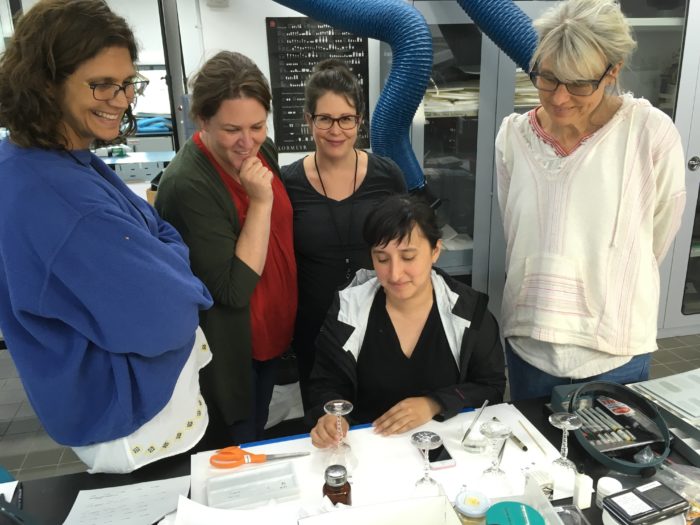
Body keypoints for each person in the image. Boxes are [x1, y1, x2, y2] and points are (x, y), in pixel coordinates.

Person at [0, 0, 214, 473]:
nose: (120, 99)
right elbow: (171, 313)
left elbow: (160, 230)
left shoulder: (49, 158)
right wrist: (183, 273)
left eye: (127, 84)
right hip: (135, 423)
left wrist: (162, 253)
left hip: (114, 408)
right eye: (101, 84)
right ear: (44, 82)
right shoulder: (61, 198)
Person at [495, 0, 686, 401]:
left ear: (612, 71)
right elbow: (515, 229)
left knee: (612, 459)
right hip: (531, 339)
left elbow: (657, 234)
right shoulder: (513, 136)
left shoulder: (648, 133)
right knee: (535, 455)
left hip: (613, 346)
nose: (560, 98)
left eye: (579, 83)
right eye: (547, 78)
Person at [155, 51, 297, 445]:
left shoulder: (259, 152)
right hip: (232, 352)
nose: (247, 142)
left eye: (257, 126)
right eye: (232, 129)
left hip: (272, 335)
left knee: (263, 432)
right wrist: (261, 202)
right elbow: (231, 290)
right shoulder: (187, 185)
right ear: (202, 120)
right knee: (237, 448)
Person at [306, 195, 505, 447]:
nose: (395, 273)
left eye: (408, 257)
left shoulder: (468, 311)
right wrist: (331, 416)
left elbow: (491, 387)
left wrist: (435, 403)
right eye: (382, 258)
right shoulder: (347, 310)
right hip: (369, 447)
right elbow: (325, 384)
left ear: (435, 251)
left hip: (447, 447)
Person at [282, 59, 407, 409]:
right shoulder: (287, 182)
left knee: (382, 422)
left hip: (381, 324)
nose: (335, 130)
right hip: (315, 332)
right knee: (325, 428)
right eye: (325, 119)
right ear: (309, 120)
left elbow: (406, 246)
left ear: (359, 121)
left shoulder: (387, 175)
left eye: (346, 119)